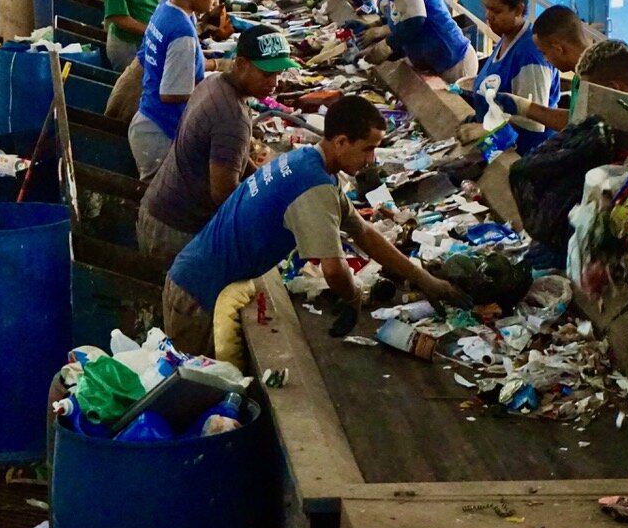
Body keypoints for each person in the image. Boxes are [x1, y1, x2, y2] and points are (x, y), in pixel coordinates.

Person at [162, 95, 466, 359]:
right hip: (197, 298)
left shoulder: (306, 160)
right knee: (200, 401)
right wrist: (352, 297)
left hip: (192, 278)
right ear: (342, 141)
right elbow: (333, 270)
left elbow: (366, 234)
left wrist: (426, 281)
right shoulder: (314, 185)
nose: (372, 160)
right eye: (367, 149)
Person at [137, 24, 298, 267]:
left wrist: (269, 184)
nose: (274, 82)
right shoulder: (231, 117)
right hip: (177, 231)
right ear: (242, 63)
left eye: (279, 73)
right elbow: (223, 194)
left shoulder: (214, 84)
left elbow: (236, 161)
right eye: (267, 74)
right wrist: (268, 218)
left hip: (158, 213)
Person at [129, 0, 228, 179]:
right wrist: (215, 88)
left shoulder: (171, 3)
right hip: (160, 132)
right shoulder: (182, 33)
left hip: (147, 120)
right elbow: (171, 94)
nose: (215, 3)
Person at [456, 0, 559, 153]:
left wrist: (486, 131)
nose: (489, 16)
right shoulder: (506, 38)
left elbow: (531, 124)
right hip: (500, 143)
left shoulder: (529, 54)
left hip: (524, 154)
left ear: (519, 10)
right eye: (487, 9)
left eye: (496, 11)